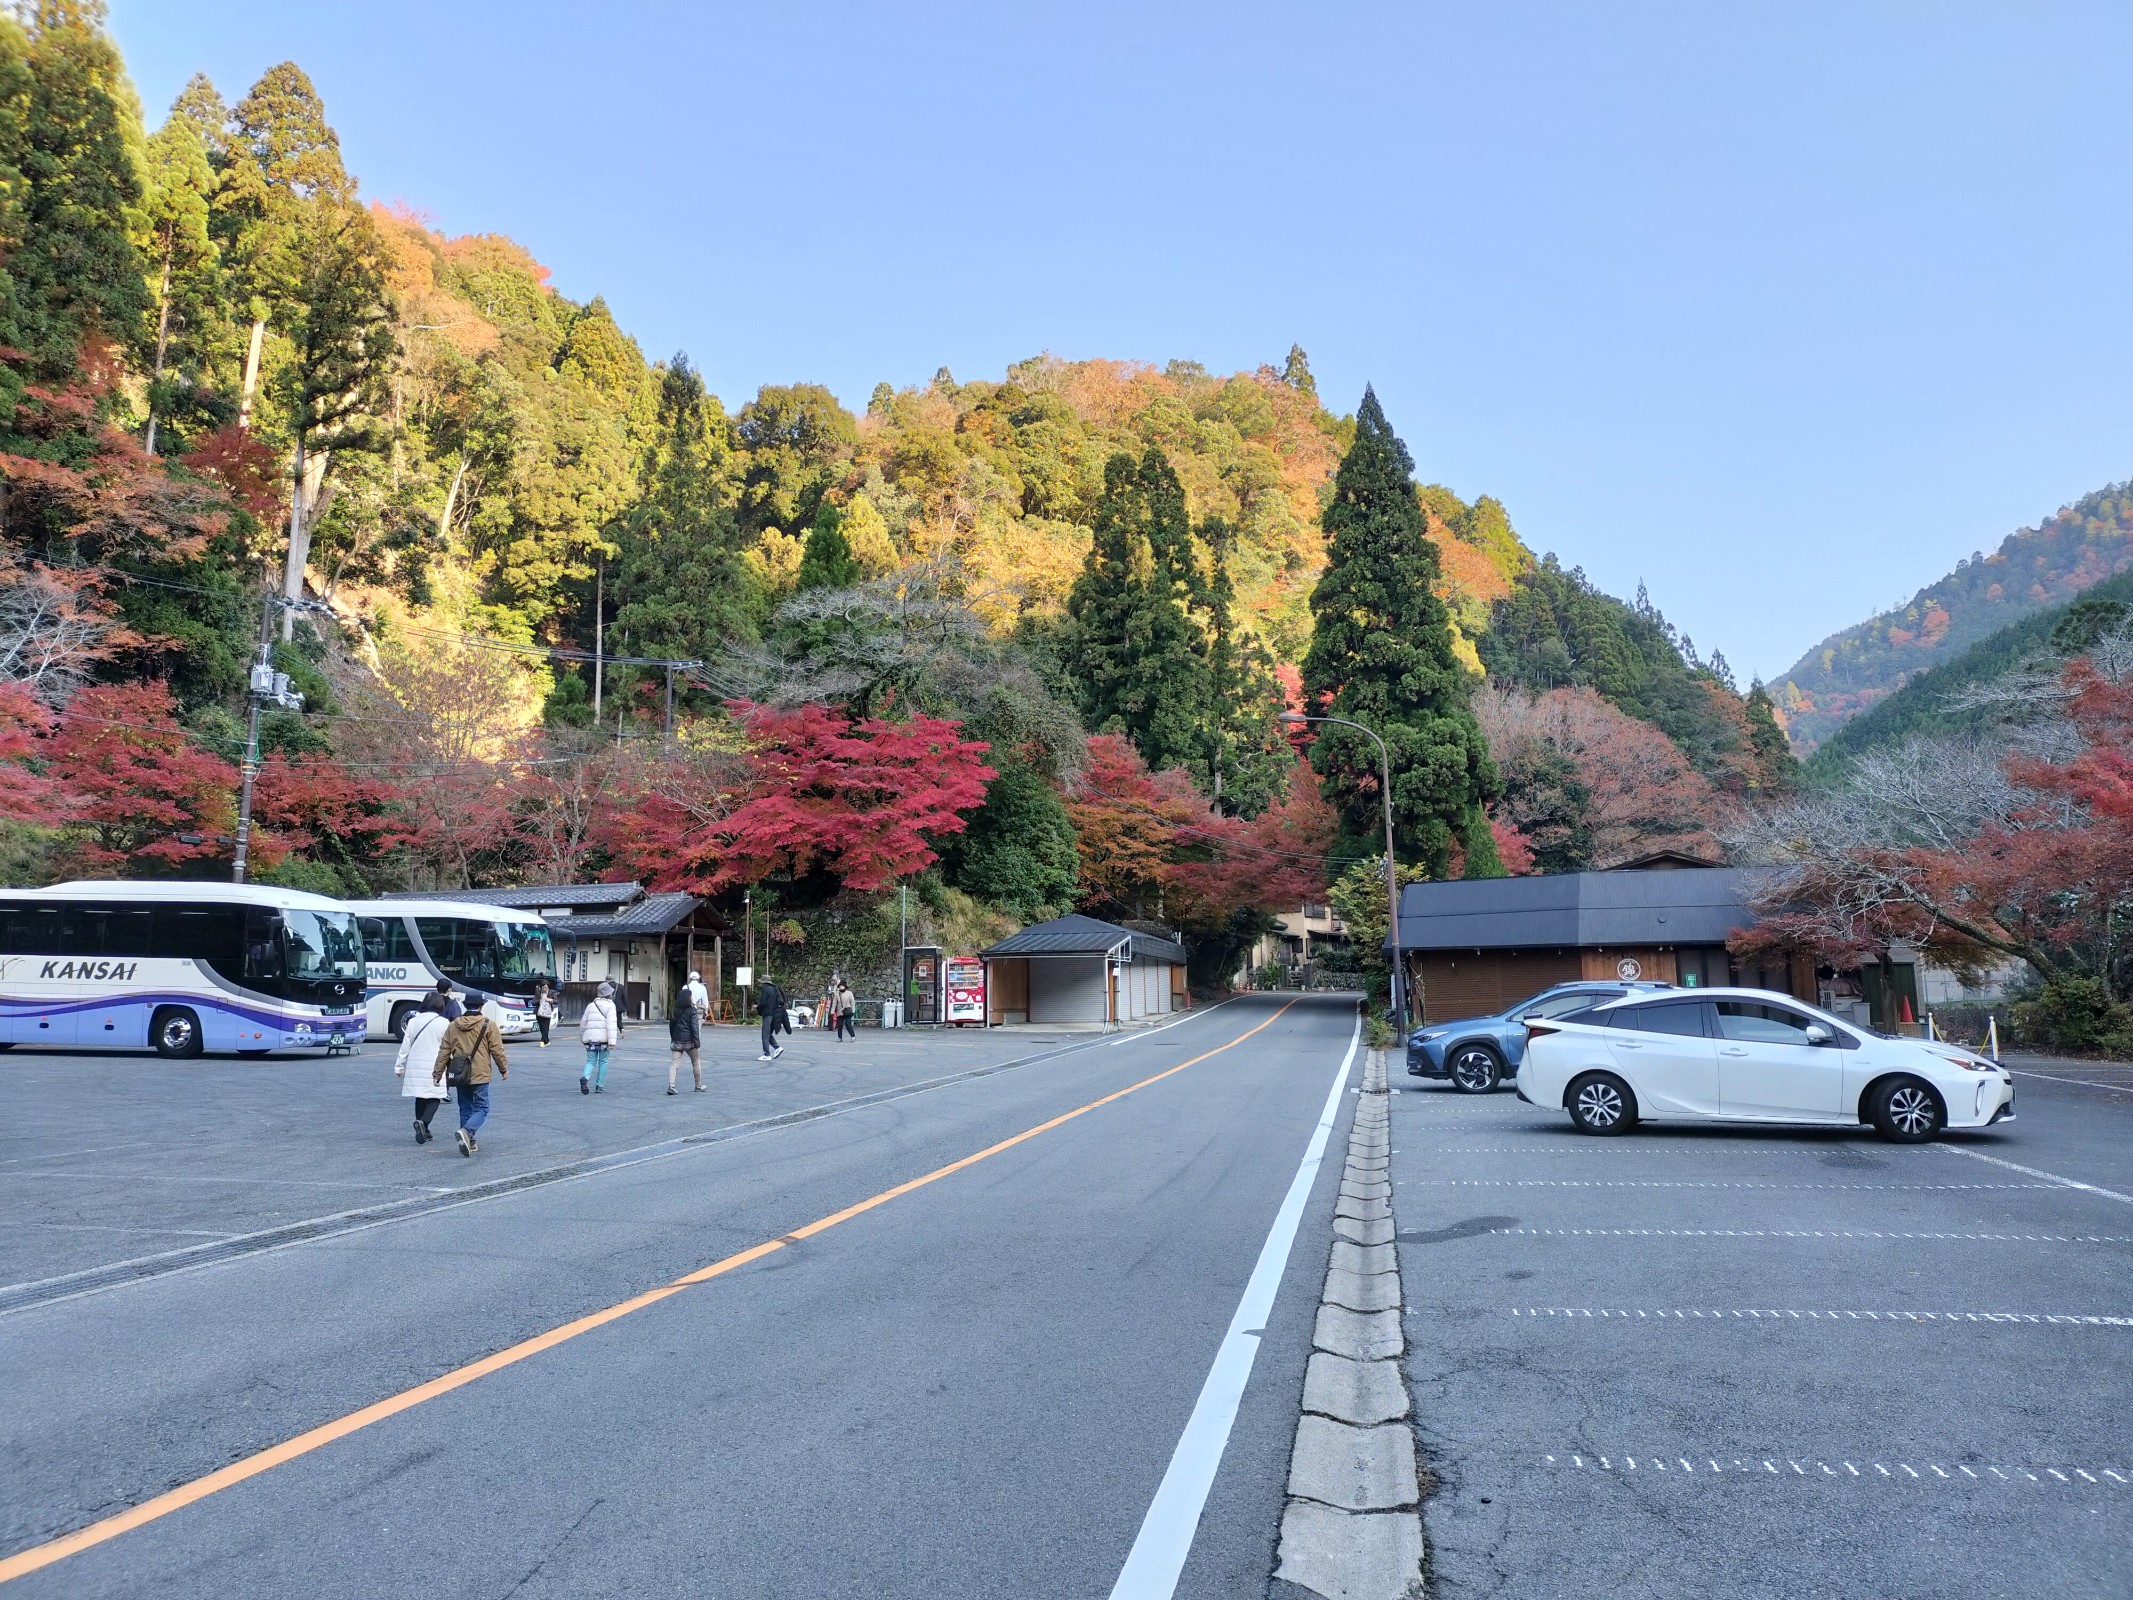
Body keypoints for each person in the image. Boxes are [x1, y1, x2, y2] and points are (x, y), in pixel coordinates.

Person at [431, 1000, 508, 1157]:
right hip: (480, 1073)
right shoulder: (488, 1024)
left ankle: (469, 1142)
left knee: (465, 1107)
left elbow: (444, 1051)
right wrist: (503, 1069)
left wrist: (437, 1073)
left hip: (460, 1072)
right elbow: (497, 1050)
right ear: (481, 1006)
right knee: (482, 1108)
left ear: (465, 1006)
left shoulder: (453, 1025)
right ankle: (467, 1132)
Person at [394, 992, 452, 1144]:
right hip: (436, 1064)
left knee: (420, 1096)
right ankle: (424, 1123)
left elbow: (405, 1045)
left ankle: (423, 1128)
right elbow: (449, 1046)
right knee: (435, 1096)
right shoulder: (444, 1022)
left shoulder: (413, 1021)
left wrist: (399, 1065)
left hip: (415, 1063)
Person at [579, 979, 621, 1094]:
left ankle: (585, 1078)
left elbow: (583, 1023)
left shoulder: (591, 1005)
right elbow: (611, 1024)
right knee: (603, 1061)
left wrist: (582, 1037)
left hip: (590, 1039)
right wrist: (612, 1041)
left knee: (591, 1060)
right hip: (603, 1039)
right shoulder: (610, 1006)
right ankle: (599, 1085)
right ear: (608, 994)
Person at [667, 981, 703, 1094]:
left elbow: (671, 1026)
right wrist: (697, 1042)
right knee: (696, 1062)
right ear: (689, 998)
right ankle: (698, 1085)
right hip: (690, 1041)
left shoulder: (674, 1009)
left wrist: (673, 1038)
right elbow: (694, 1028)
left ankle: (671, 1086)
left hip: (677, 1040)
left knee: (674, 1064)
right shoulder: (692, 1010)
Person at [756, 976, 788, 1061]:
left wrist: (757, 1008)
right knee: (768, 1033)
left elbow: (763, 1002)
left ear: (763, 983)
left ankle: (767, 1054)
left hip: (768, 1014)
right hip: (776, 1014)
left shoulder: (765, 989)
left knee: (765, 1035)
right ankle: (777, 1047)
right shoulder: (775, 988)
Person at [833, 976, 856, 1042]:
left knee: (848, 1024)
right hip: (840, 1011)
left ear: (845, 986)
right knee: (839, 1025)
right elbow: (834, 1003)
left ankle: (853, 1036)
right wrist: (832, 1011)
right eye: (840, 986)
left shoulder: (849, 993)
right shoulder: (837, 994)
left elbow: (852, 1003)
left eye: (842, 986)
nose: (841, 987)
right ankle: (839, 1037)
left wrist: (853, 1011)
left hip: (848, 1011)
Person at [533, 980, 556, 1046]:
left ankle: (542, 1041)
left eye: (546, 987)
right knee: (542, 1027)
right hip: (539, 1012)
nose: (545, 989)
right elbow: (533, 1002)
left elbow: (556, 1001)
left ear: (548, 987)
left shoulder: (552, 992)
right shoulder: (538, 993)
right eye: (543, 987)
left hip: (547, 1012)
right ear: (541, 987)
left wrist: (550, 1000)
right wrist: (540, 1000)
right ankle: (546, 1041)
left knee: (546, 1027)